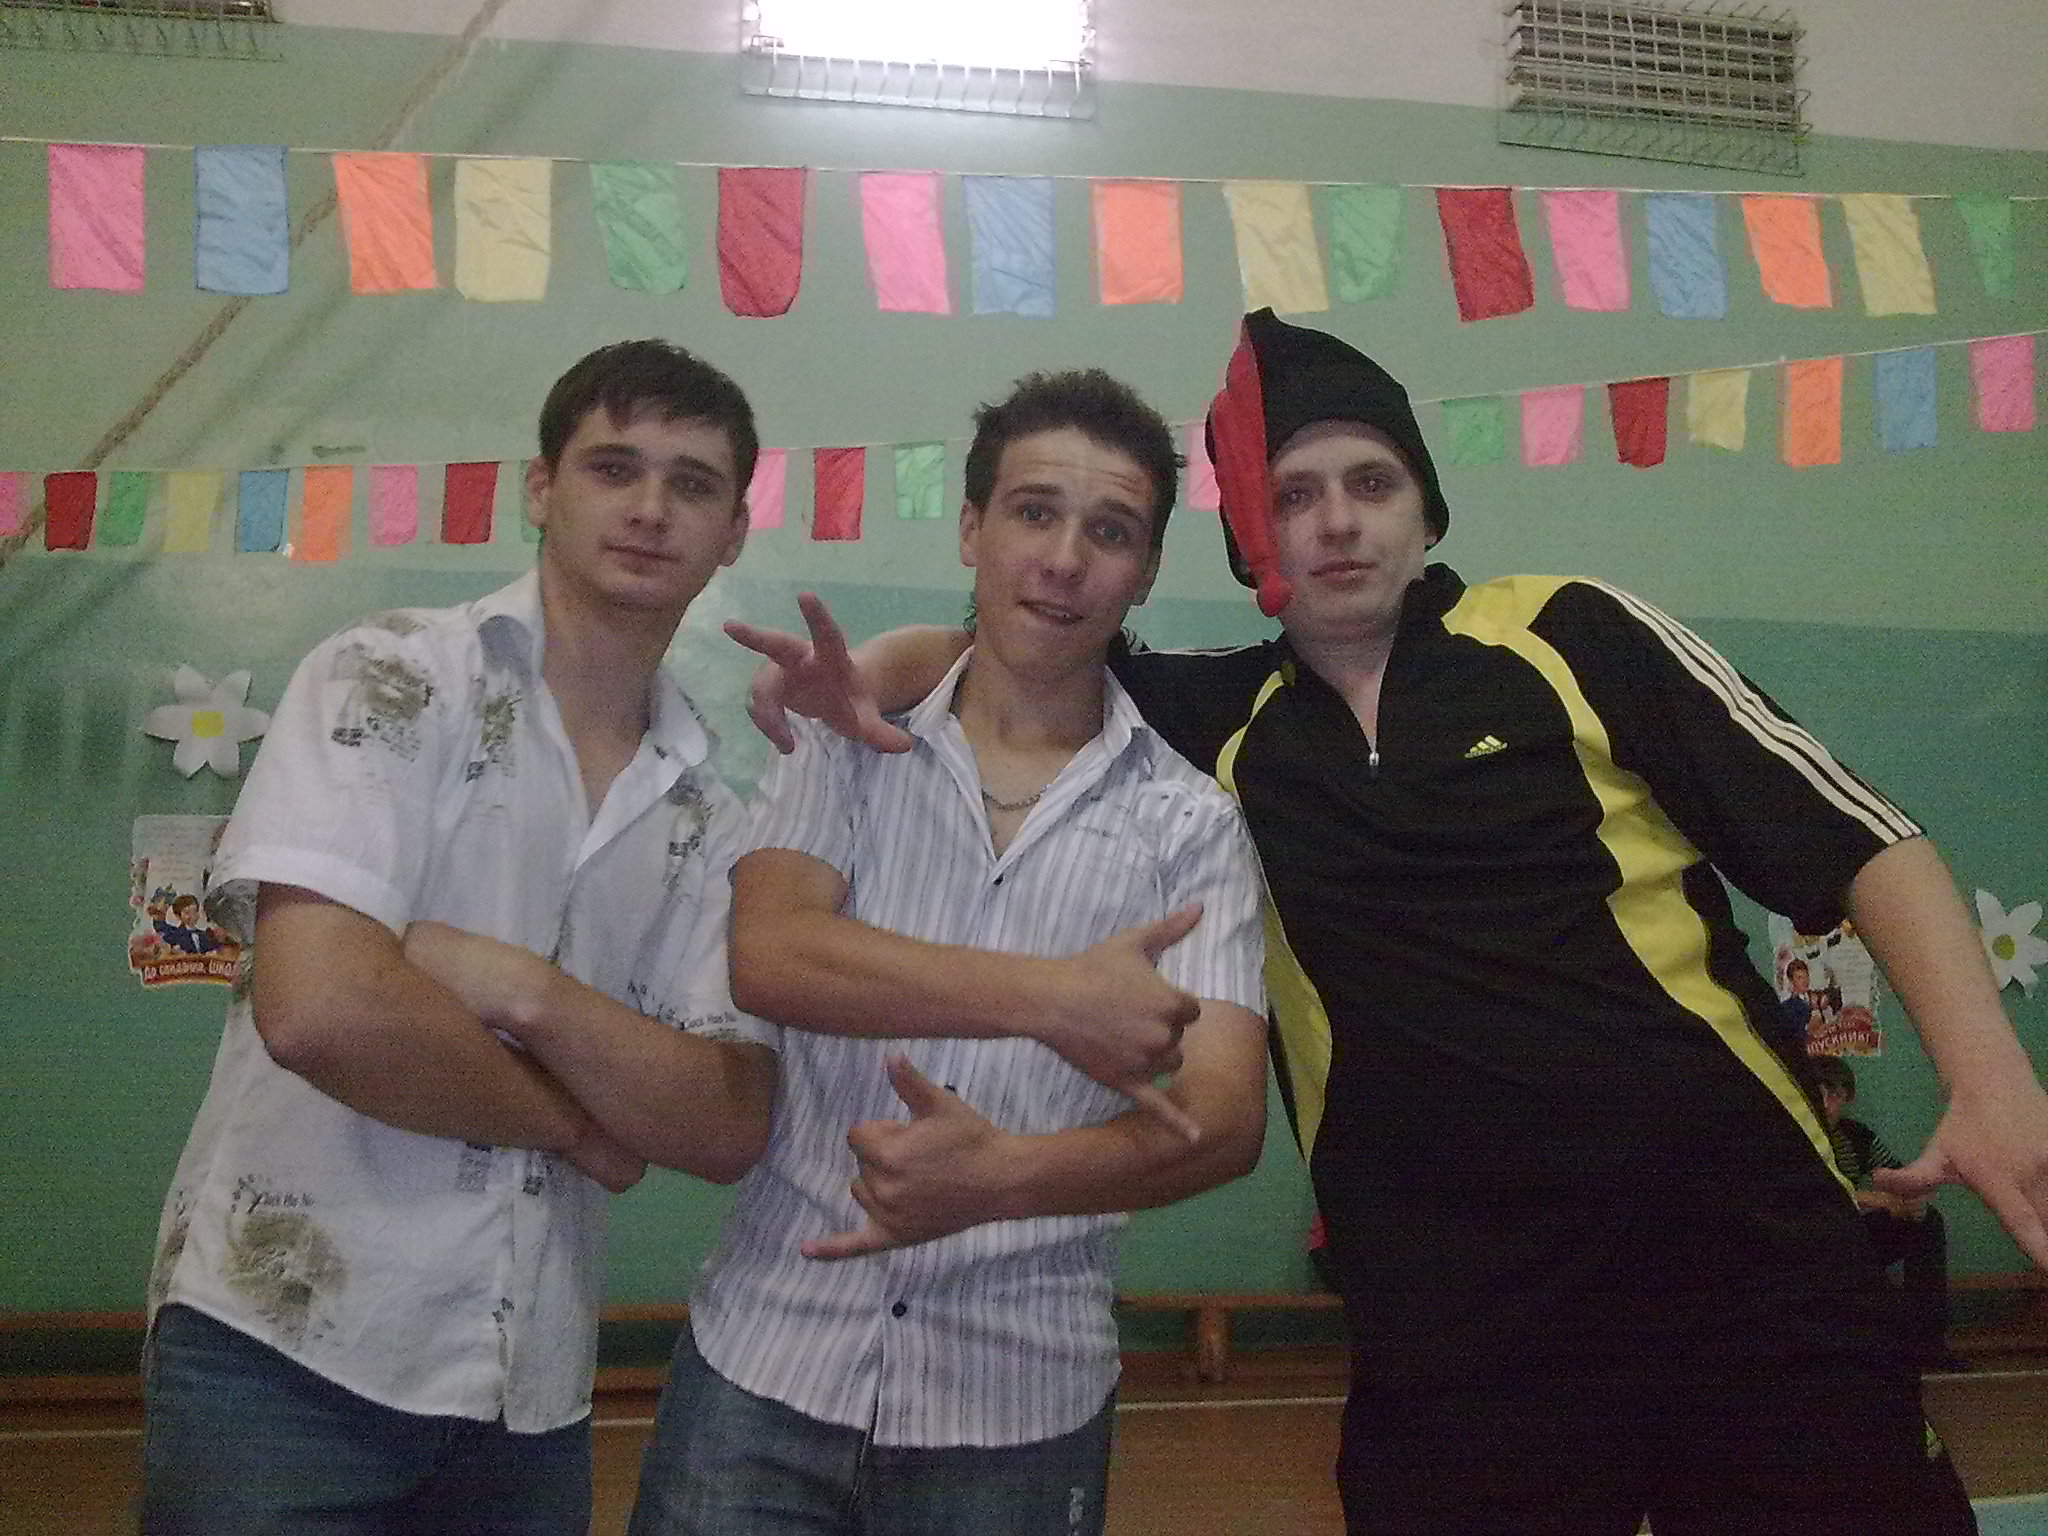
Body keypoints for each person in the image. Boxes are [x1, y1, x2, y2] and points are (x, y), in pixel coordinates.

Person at [740, 310, 2048, 1536]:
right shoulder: (1219, 723)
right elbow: (1030, 656)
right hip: (1458, 1332)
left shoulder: (1569, 635)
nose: (1337, 522)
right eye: (1292, 496)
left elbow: (1861, 838)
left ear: (1425, 506)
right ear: (1250, 546)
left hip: (1752, 1271)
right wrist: (882, 668)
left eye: (1370, 482)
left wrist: (1988, 1078)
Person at [141, 339, 782, 1536]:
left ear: (734, 532)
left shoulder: (708, 811)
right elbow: (322, 1011)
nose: (650, 508)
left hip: (525, 1392)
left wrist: (519, 989)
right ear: (540, 489)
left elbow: (726, 1120)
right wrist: (578, 1123)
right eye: (613, 468)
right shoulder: (386, 677)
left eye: (692, 484)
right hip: (282, 1358)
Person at [627, 370, 1270, 1536]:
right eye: (1032, 512)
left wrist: (1009, 1177)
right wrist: (1052, 1000)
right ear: (971, 528)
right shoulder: (846, 734)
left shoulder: (1190, 824)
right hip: (766, 1360)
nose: (1063, 559)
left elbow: (1222, 1120)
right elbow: (771, 954)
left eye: (1108, 531)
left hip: (1018, 1396)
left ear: (1144, 570)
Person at [1813, 1055, 1972, 1373]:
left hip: (1856, 1237)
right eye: (1820, 1093)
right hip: (1812, 1239)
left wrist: (1915, 1193)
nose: (1827, 1103)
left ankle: (1927, 1345)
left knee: (1926, 1222)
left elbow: (1897, 1177)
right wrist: (1873, 1199)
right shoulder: (1794, 1138)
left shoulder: (1856, 1136)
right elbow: (1811, 1194)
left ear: (1847, 1098)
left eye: (1835, 1094)